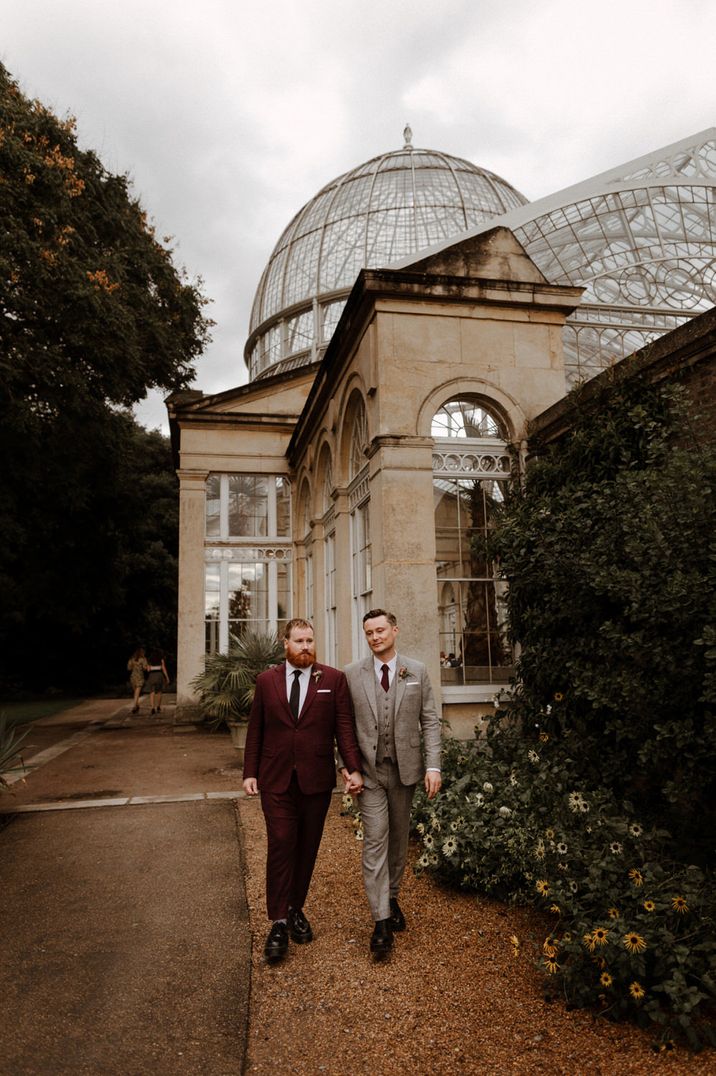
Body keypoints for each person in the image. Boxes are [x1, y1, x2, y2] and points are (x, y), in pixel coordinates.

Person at [243, 618, 364, 965]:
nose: (306, 646)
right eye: (299, 641)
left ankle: (296, 908)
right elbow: (256, 729)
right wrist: (249, 771)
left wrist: (353, 767)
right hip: (275, 778)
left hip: (315, 780)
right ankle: (279, 923)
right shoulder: (266, 682)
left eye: (310, 640)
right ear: (286, 644)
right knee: (281, 843)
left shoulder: (332, 680)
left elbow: (344, 728)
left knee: (307, 848)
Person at [344, 609, 441, 959]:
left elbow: (429, 721)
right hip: (369, 774)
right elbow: (343, 726)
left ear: (395, 630)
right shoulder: (352, 675)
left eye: (380, 630)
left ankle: (393, 896)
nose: (375, 637)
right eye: (369, 632)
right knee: (375, 841)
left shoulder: (417, 670)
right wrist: (348, 768)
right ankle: (381, 922)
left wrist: (434, 766)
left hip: (406, 771)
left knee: (399, 841)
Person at [145, 648, 170, 715]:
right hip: (159, 675)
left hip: (152, 675)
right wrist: (167, 677)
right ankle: (158, 707)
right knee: (159, 692)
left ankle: (152, 707)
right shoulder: (161, 659)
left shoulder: (149, 660)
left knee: (152, 692)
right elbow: (164, 668)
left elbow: (148, 670)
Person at [127, 647, 149, 714]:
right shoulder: (143, 659)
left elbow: (129, 668)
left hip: (133, 677)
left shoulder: (131, 659)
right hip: (140, 677)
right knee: (137, 693)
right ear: (142, 653)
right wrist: (147, 667)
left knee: (136, 693)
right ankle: (134, 706)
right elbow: (145, 668)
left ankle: (137, 706)